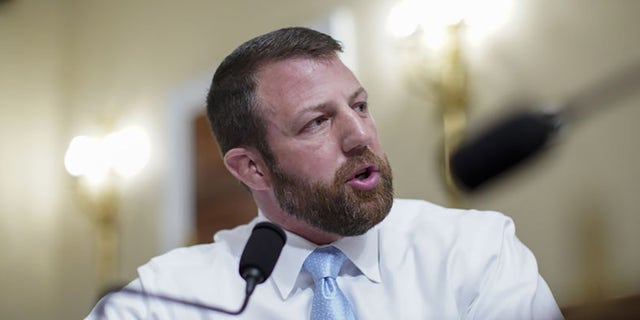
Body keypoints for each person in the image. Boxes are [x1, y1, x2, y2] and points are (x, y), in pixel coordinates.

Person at [86, 27, 563, 319]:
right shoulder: (169, 299)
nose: (360, 135)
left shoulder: (476, 251)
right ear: (251, 166)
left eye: (359, 106)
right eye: (317, 122)